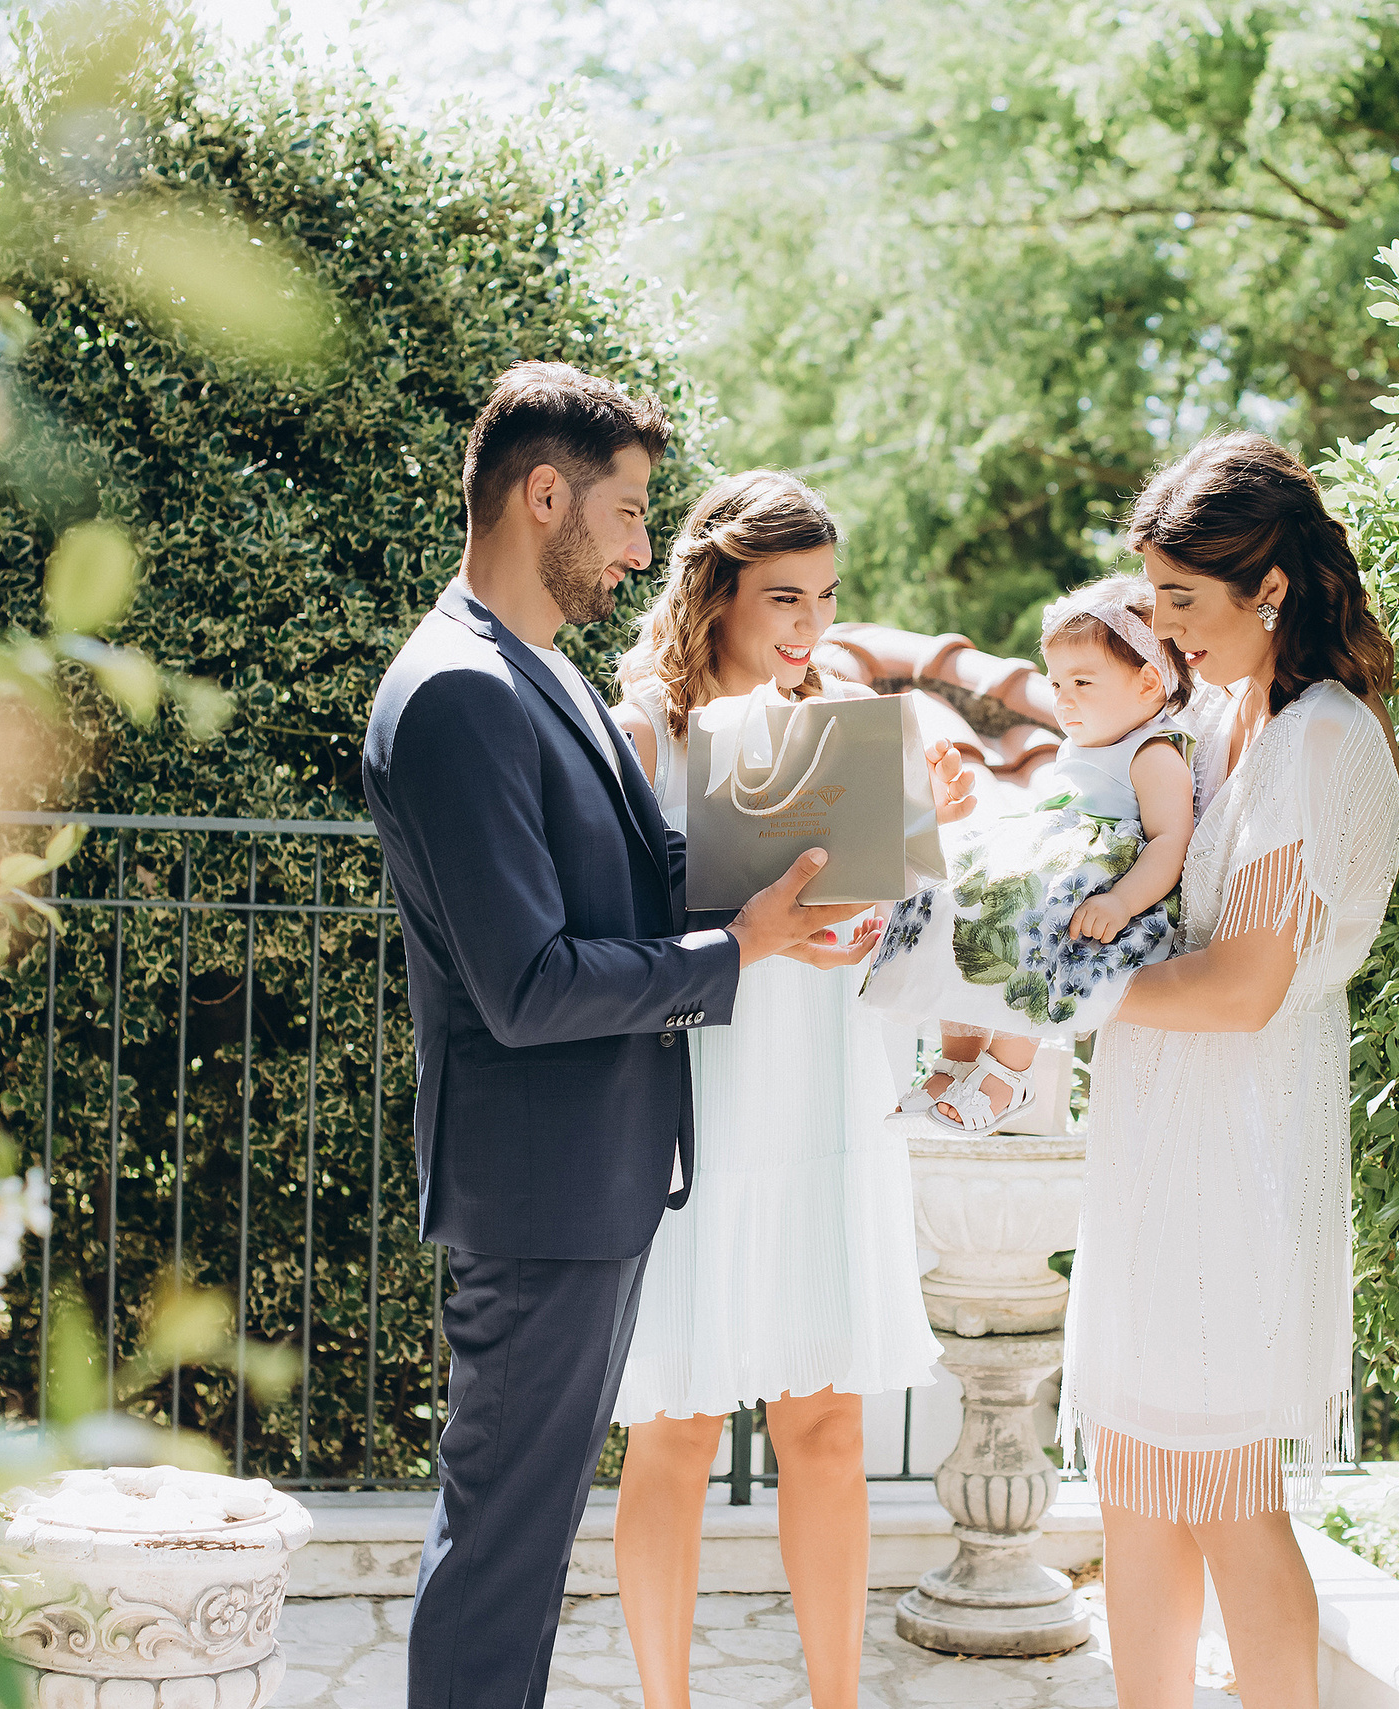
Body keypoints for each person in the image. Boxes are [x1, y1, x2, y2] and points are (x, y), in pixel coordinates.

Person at [362, 364, 975, 1709]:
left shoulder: (541, 679)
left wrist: (828, 881)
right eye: (632, 511)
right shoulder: (466, 689)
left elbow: (647, 873)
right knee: (498, 1561)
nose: (645, 544)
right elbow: (524, 987)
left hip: (599, 1176)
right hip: (542, 1195)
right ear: (543, 495)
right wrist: (739, 949)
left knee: (511, 1561)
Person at [1060, 432, 1399, 1709]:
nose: (1162, 627)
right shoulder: (1217, 713)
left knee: (1222, 1489)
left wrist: (1069, 992)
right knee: (1137, 1479)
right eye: (1153, 596)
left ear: (1269, 587)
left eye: (1183, 601)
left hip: (1242, 1148)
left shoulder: (1317, 738)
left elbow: (1248, 982)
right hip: (1167, 1135)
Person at [603, 471, 945, 1709]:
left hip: (830, 1091)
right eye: (782, 596)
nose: (808, 624)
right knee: (675, 1429)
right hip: (704, 1096)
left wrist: (914, 841)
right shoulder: (643, 728)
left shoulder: (845, 724)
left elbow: (880, 916)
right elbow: (618, 920)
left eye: (826, 596)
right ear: (717, 590)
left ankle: (838, 1700)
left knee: (830, 1429)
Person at [858, 574, 1197, 1132]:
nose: (1062, 701)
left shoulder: (1152, 751)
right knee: (955, 890)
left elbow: (1170, 841)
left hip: (1091, 886)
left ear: (1148, 683)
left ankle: (1009, 1071)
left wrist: (1120, 901)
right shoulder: (1082, 743)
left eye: (1082, 682)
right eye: (1057, 684)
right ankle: (957, 1057)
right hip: (1053, 857)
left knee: (1032, 919)